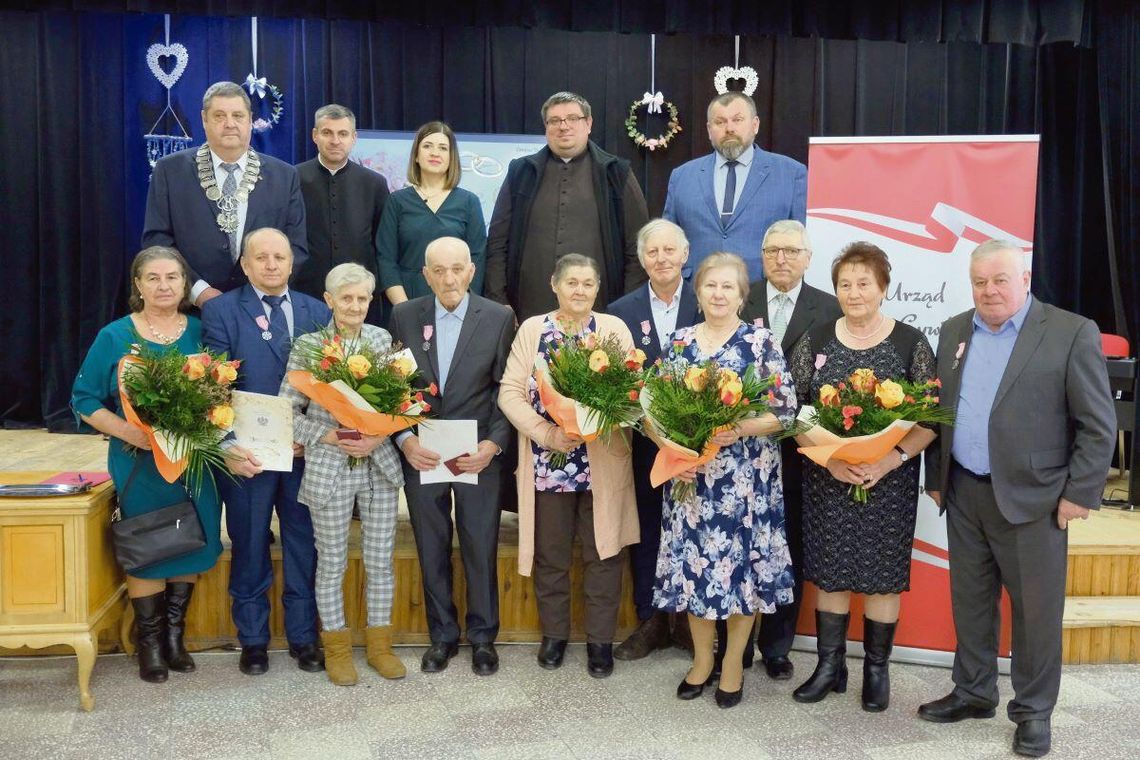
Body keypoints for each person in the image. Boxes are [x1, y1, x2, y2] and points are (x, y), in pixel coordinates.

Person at [920, 240, 1115, 758]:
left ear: (1024, 278)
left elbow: (1098, 425)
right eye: (980, 282)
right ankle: (974, 691)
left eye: (1000, 280)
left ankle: (1032, 713)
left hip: (1037, 500)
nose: (989, 291)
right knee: (971, 603)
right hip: (964, 491)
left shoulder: (1071, 332)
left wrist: (1079, 494)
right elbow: (940, 410)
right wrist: (936, 475)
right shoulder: (954, 329)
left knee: (1035, 613)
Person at [786, 242, 938, 711]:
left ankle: (877, 670)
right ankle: (830, 667)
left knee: (882, 577)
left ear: (883, 288)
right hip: (829, 477)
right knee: (830, 573)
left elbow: (930, 421)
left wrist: (887, 460)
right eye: (845, 284)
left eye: (863, 284)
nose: (854, 293)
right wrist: (830, 459)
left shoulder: (910, 343)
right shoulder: (816, 338)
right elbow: (793, 413)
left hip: (887, 482)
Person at [71, 246, 224, 683]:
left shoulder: (200, 331)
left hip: (193, 461)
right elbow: (83, 400)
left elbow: (219, 391)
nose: (163, 286)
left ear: (184, 284)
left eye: (172, 277)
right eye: (153, 278)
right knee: (149, 545)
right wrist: (129, 432)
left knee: (192, 539)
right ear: (138, 285)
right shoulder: (115, 336)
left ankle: (175, 636)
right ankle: (150, 643)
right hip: (139, 461)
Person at [652, 252, 797, 709]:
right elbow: (650, 410)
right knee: (695, 571)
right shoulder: (678, 345)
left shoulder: (760, 343)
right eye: (710, 286)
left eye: (728, 287)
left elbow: (784, 411)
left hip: (745, 482)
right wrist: (673, 450)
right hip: (691, 479)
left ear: (741, 295)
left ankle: (733, 663)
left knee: (741, 575)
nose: (718, 294)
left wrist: (737, 427)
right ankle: (700, 661)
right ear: (698, 293)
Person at [498, 253, 639, 678]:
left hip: (602, 463)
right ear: (554, 285)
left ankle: (600, 643)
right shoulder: (533, 329)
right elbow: (509, 393)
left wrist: (597, 421)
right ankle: (554, 636)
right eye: (571, 282)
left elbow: (632, 391)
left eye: (588, 283)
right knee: (551, 555)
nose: (579, 290)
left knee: (604, 553)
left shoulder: (613, 329)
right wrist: (548, 433)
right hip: (549, 461)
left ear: (598, 289)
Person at [201, 227, 331, 676]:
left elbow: (329, 385)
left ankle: (303, 637)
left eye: (280, 256)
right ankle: (253, 640)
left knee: (302, 545)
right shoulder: (220, 311)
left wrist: (311, 432)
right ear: (245, 263)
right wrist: (229, 447)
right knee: (250, 543)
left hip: (302, 454)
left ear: (293, 263)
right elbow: (213, 387)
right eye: (262, 257)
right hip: (247, 459)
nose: (271, 264)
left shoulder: (317, 310)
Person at [389, 237, 515, 676]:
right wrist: (405, 441)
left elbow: (506, 388)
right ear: (425, 275)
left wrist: (494, 444)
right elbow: (395, 388)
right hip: (422, 451)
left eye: (456, 268)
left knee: (480, 546)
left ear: (470, 271)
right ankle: (441, 636)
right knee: (432, 545)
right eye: (438, 270)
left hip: (476, 453)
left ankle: (483, 639)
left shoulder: (498, 317)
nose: (448, 278)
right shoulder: (404, 315)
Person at [278, 263, 407, 686]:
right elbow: (286, 413)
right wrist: (329, 435)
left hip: (379, 466)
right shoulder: (309, 346)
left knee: (380, 562)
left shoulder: (381, 339)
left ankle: (379, 646)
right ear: (329, 300)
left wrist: (376, 435)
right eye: (346, 298)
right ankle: (336, 648)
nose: (355, 306)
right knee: (331, 563)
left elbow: (401, 404)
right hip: (329, 469)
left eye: (363, 299)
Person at [740, 219, 842, 680]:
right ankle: (734, 644)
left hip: (803, 449)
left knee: (789, 544)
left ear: (807, 257)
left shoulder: (831, 307)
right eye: (773, 250)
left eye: (791, 251)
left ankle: (777, 646)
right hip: (740, 446)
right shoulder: (739, 295)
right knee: (739, 542)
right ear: (762, 256)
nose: (782, 259)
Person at [605, 219, 699, 660]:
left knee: (696, 528)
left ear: (685, 254)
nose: (661, 259)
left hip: (702, 444)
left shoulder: (707, 301)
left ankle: (689, 621)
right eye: (652, 252)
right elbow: (614, 381)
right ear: (642, 260)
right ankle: (651, 619)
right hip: (644, 442)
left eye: (669, 250)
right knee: (646, 528)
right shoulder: (620, 311)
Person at [485, 92, 649, 319]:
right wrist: (498, 300)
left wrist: (627, 306)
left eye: (572, 118)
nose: (564, 126)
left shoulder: (616, 172)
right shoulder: (521, 172)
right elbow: (497, 243)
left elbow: (637, 246)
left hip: (600, 309)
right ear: (546, 127)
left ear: (588, 123)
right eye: (555, 120)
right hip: (529, 308)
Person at [143, 81, 308, 306]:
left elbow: (296, 247)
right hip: (190, 310)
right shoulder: (169, 171)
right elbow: (157, 241)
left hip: (263, 308)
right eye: (220, 116)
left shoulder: (285, 176)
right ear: (204, 120)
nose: (230, 124)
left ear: (250, 120)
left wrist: (261, 290)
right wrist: (198, 291)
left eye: (238, 116)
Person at [663, 92, 806, 281]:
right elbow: (667, 241)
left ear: (755, 125)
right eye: (720, 122)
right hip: (696, 295)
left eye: (737, 120)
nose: (729, 128)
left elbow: (801, 241)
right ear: (708, 130)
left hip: (763, 294)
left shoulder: (791, 173)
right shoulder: (682, 176)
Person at [295, 104, 390, 326]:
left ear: (354, 137)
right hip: (306, 293)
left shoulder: (374, 183)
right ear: (315, 135)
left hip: (360, 299)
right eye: (327, 132)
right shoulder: (293, 177)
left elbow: (382, 244)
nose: (335, 140)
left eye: (343, 134)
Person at [376, 121, 487, 311]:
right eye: (428, 146)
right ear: (416, 156)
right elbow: (386, 259)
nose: (435, 153)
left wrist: (458, 305)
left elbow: (477, 258)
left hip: (456, 301)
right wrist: (404, 309)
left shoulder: (469, 201)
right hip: (406, 299)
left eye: (443, 148)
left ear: (452, 158)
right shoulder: (397, 201)